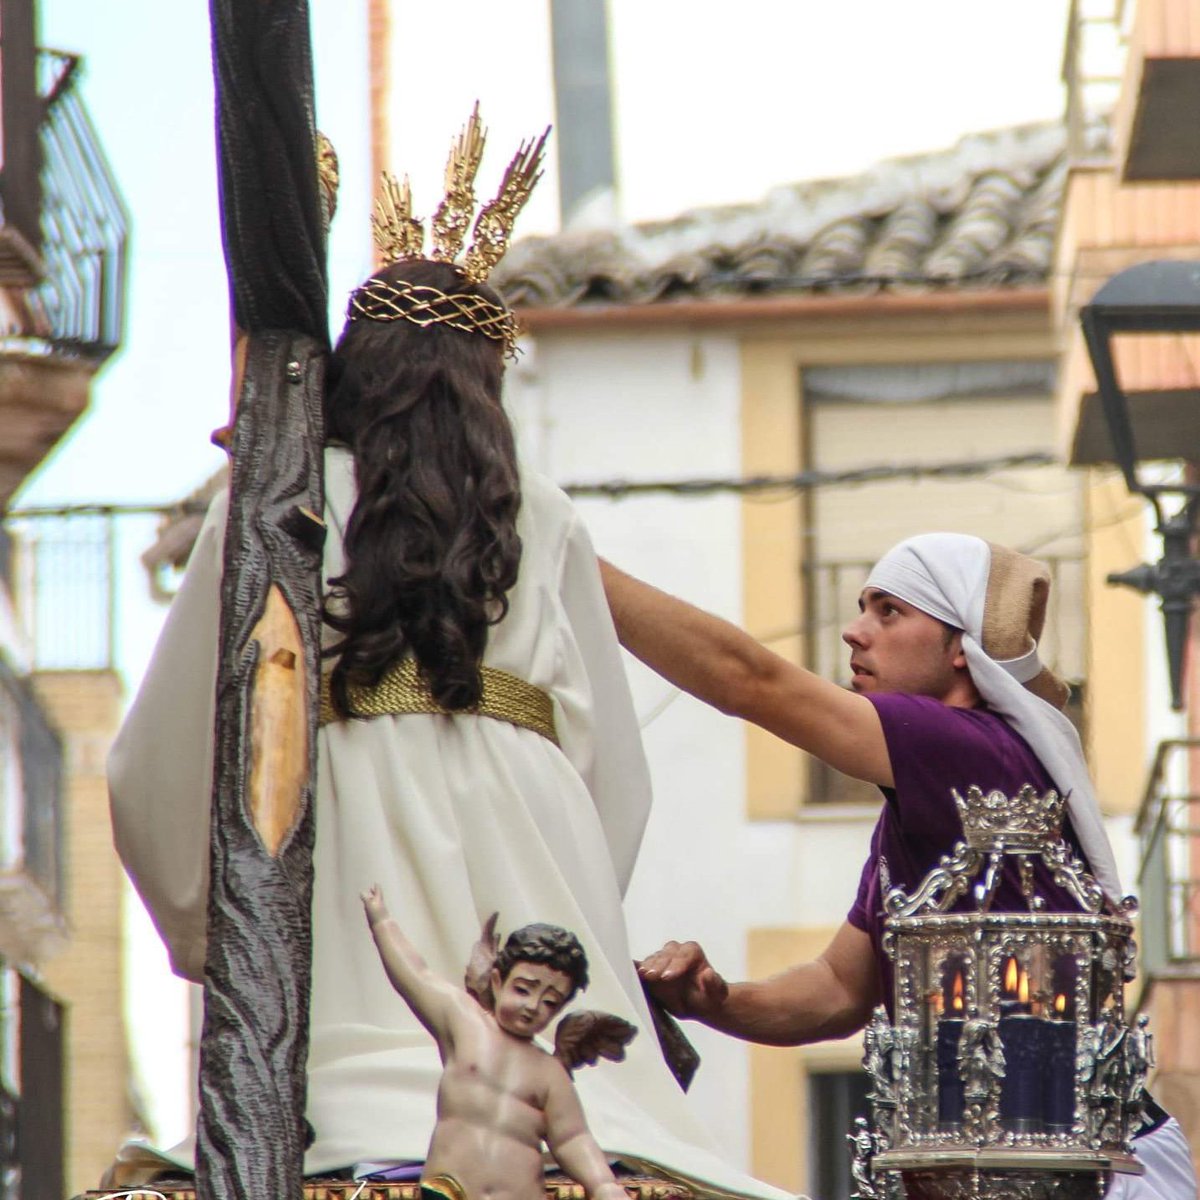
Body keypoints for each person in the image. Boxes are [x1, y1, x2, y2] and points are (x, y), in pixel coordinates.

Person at [105, 115, 784, 1200]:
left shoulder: (273, 506)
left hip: (334, 861)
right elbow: (613, 779)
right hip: (534, 849)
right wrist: (567, 897)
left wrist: (214, 928)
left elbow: (159, 759)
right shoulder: (545, 517)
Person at [600, 533, 1196, 1198]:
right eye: (863, 607)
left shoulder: (969, 750)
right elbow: (838, 988)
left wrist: (578, 567)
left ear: (961, 649)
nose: (855, 632)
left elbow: (750, 680)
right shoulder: (923, 802)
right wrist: (716, 1000)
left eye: (890, 611)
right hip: (1002, 1167)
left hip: (1078, 1172)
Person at [361, 887, 629, 1200]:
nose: (532, 1006)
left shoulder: (550, 1073)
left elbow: (572, 1138)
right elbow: (416, 976)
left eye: (550, 1002)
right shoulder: (465, 1023)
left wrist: (603, 1184)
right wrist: (381, 922)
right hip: (452, 1191)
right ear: (498, 981)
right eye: (523, 990)